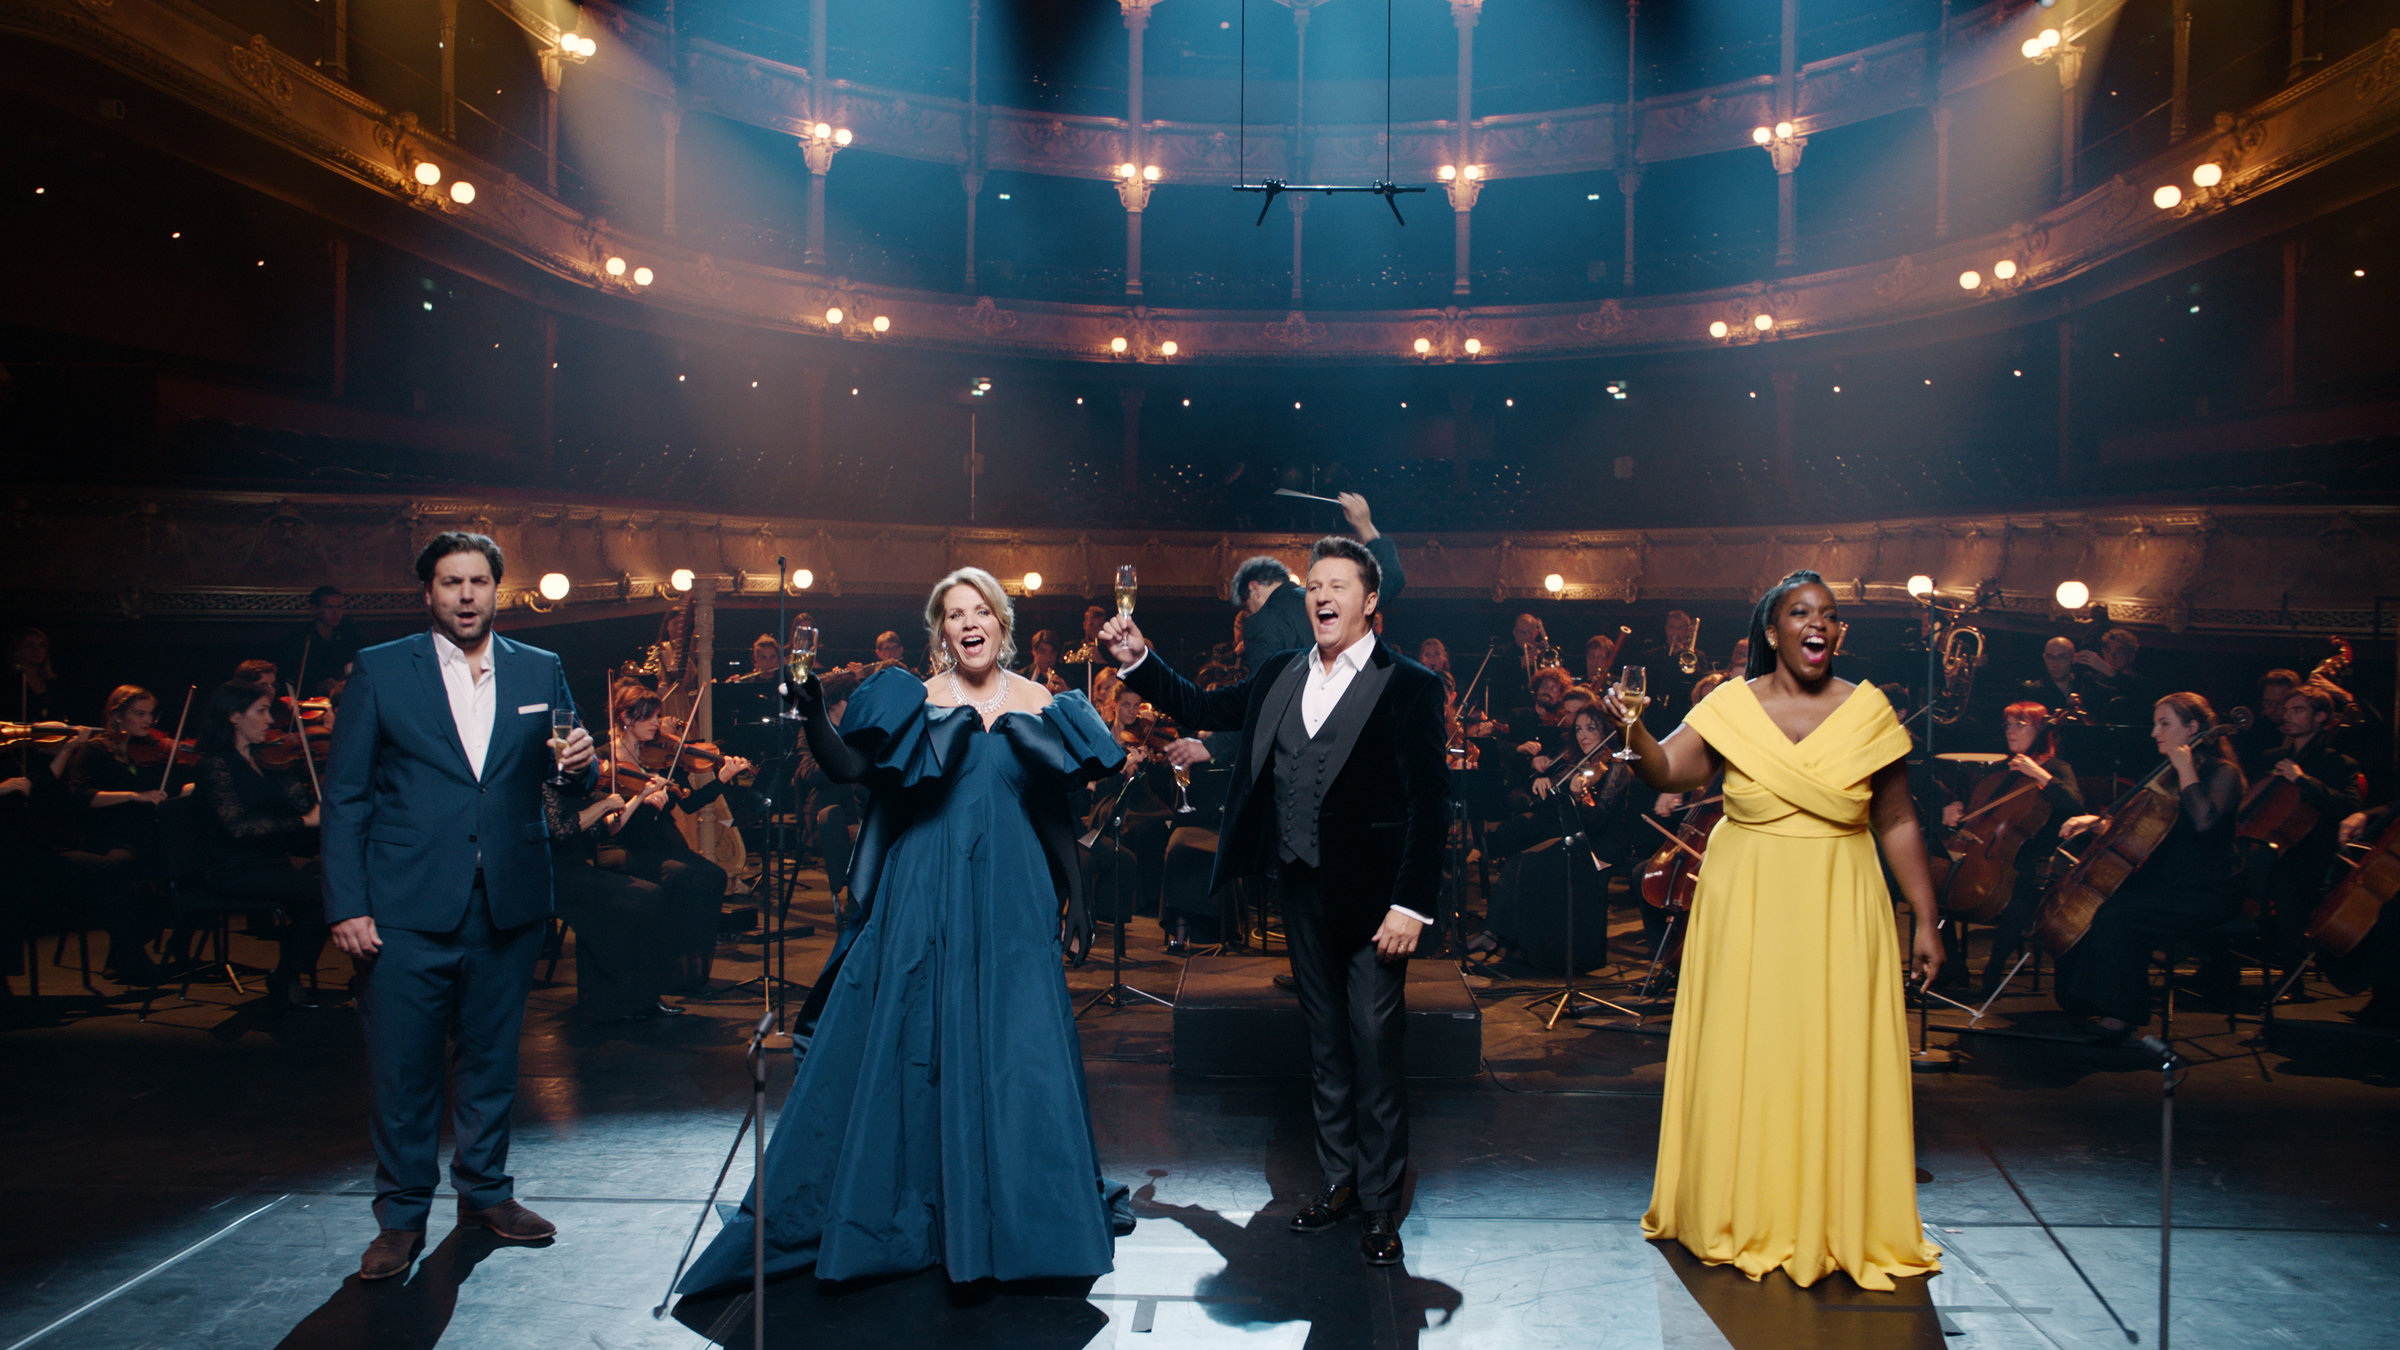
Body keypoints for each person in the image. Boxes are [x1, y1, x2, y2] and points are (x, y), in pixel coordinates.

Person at [680, 567, 1131, 1294]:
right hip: (926, 888)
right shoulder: (915, 698)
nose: (969, 622)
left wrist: (1076, 896)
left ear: (1000, 623)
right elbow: (848, 765)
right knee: (918, 1041)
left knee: (1017, 1050)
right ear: (942, 632)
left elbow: (1054, 810)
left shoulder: (1040, 701)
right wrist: (814, 714)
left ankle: (1017, 1217)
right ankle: (923, 1211)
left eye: (980, 610)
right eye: (954, 614)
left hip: (1012, 894)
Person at [1105, 536, 1449, 1269]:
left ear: (1370, 602)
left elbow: (1430, 806)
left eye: (1337, 585)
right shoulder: (1279, 676)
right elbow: (1199, 704)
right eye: (1314, 585)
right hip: (1299, 889)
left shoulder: (1412, 686)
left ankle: (1382, 1206)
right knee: (1324, 1046)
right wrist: (1138, 659)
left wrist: (1411, 905)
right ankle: (1341, 1181)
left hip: (1375, 904)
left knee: (1374, 1047)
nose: (1322, 596)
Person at [1606, 569, 1943, 1290]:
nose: (1816, 624)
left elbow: (1898, 819)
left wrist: (1925, 915)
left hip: (1839, 898)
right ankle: (1739, 1206)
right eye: (1800, 612)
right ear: (1773, 630)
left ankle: (1830, 1216)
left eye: (1827, 614)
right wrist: (1629, 726)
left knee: (1831, 1048)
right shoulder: (1730, 706)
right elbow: (1665, 771)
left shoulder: (1870, 709)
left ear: (1837, 632)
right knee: (1748, 1046)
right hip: (1748, 899)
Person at [321, 532, 597, 1282]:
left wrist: (584, 763)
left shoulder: (540, 667)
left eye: (479, 581)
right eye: (451, 582)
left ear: (498, 590)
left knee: (490, 1065)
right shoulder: (380, 670)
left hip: (506, 903)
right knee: (403, 1074)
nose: (467, 595)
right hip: (404, 907)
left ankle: (485, 1196)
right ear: (429, 593)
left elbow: (567, 773)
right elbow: (344, 797)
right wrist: (348, 903)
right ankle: (401, 1221)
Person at [2048, 692, 2246, 1041]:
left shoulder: (2223, 773)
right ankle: (2081, 1001)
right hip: (2166, 883)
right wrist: (2096, 822)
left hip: (2206, 890)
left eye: (2165, 724)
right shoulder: (2167, 774)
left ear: (2193, 728)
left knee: (2120, 916)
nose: (2155, 732)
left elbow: (2204, 823)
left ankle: (2120, 1017)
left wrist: (2186, 771)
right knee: (2092, 906)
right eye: (2156, 723)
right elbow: (2141, 829)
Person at [602, 682, 749, 993]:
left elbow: (688, 802)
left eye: (658, 716)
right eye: (651, 717)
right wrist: (641, 796)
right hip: (628, 843)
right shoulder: (606, 758)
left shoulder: (662, 756)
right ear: (627, 718)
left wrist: (721, 779)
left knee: (712, 875)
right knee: (683, 876)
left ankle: (689, 971)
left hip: (664, 841)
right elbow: (608, 817)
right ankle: (663, 969)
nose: (658, 723)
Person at [191, 681, 331, 1007]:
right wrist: (303, 821)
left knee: (341, 884)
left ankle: (300, 973)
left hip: (270, 864)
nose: (271, 721)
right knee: (325, 895)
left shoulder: (266, 760)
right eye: (262, 711)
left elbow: (299, 803)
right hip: (230, 868)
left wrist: (305, 776)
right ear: (234, 716)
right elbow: (238, 827)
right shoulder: (215, 765)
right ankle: (287, 975)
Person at [1936, 701, 2084, 995]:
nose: (2011, 731)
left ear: (2041, 729)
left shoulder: (2056, 768)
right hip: (1990, 854)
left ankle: (1994, 973)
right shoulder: (2003, 769)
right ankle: (1952, 965)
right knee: (1933, 888)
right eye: (2007, 725)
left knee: (2021, 893)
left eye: (2020, 725)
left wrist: (2041, 775)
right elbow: (1978, 817)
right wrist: (1953, 818)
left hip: (2035, 859)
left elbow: (2075, 805)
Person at [2240, 682, 2361, 967]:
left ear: (2320, 718)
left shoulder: (2339, 763)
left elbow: (2349, 806)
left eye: (2298, 710)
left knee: (2284, 885)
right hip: (2269, 845)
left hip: (2310, 852)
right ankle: (2223, 968)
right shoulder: (2272, 758)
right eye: (2286, 710)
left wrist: (2302, 779)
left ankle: (2291, 974)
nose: (2288, 716)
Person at [1228, 493, 1407, 665]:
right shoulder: (1332, 605)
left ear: (1255, 588)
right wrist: (1364, 525)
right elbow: (1393, 579)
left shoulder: (1261, 623)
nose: (1250, 614)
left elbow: (1268, 691)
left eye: (1247, 606)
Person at [289, 585, 366, 696]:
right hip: (312, 698)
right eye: (330, 607)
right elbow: (295, 679)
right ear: (315, 609)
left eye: (339, 607)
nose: (336, 612)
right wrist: (319, 685)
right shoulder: (302, 639)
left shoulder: (351, 635)